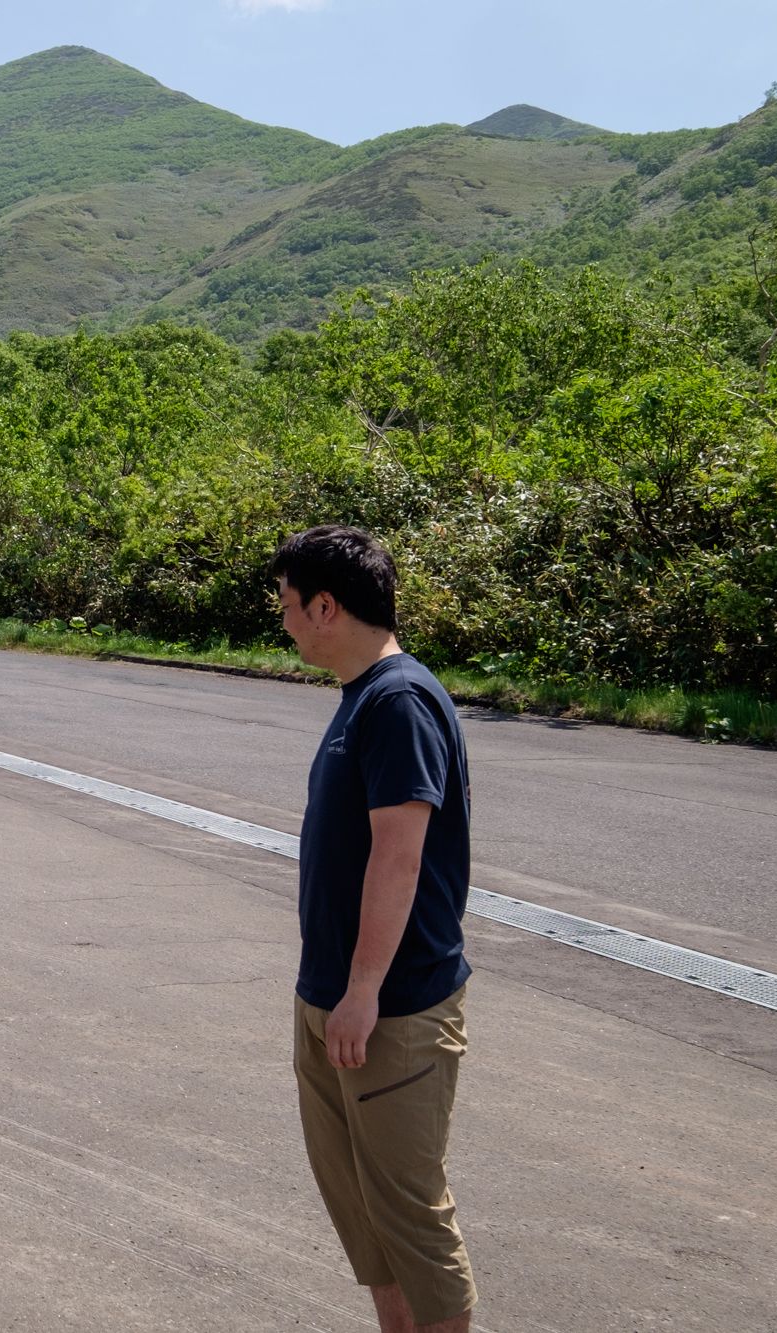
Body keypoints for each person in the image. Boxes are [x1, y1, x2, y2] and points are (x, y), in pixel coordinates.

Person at [271, 526, 477, 1332]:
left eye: (289, 607)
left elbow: (399, 857)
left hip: (390, 1008)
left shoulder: (398, 701)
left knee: (412, 1218)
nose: (284, 622)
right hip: (330, 997)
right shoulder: (363, 697)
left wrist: (362, 991)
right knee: (367, 1219)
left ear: (327, 606)